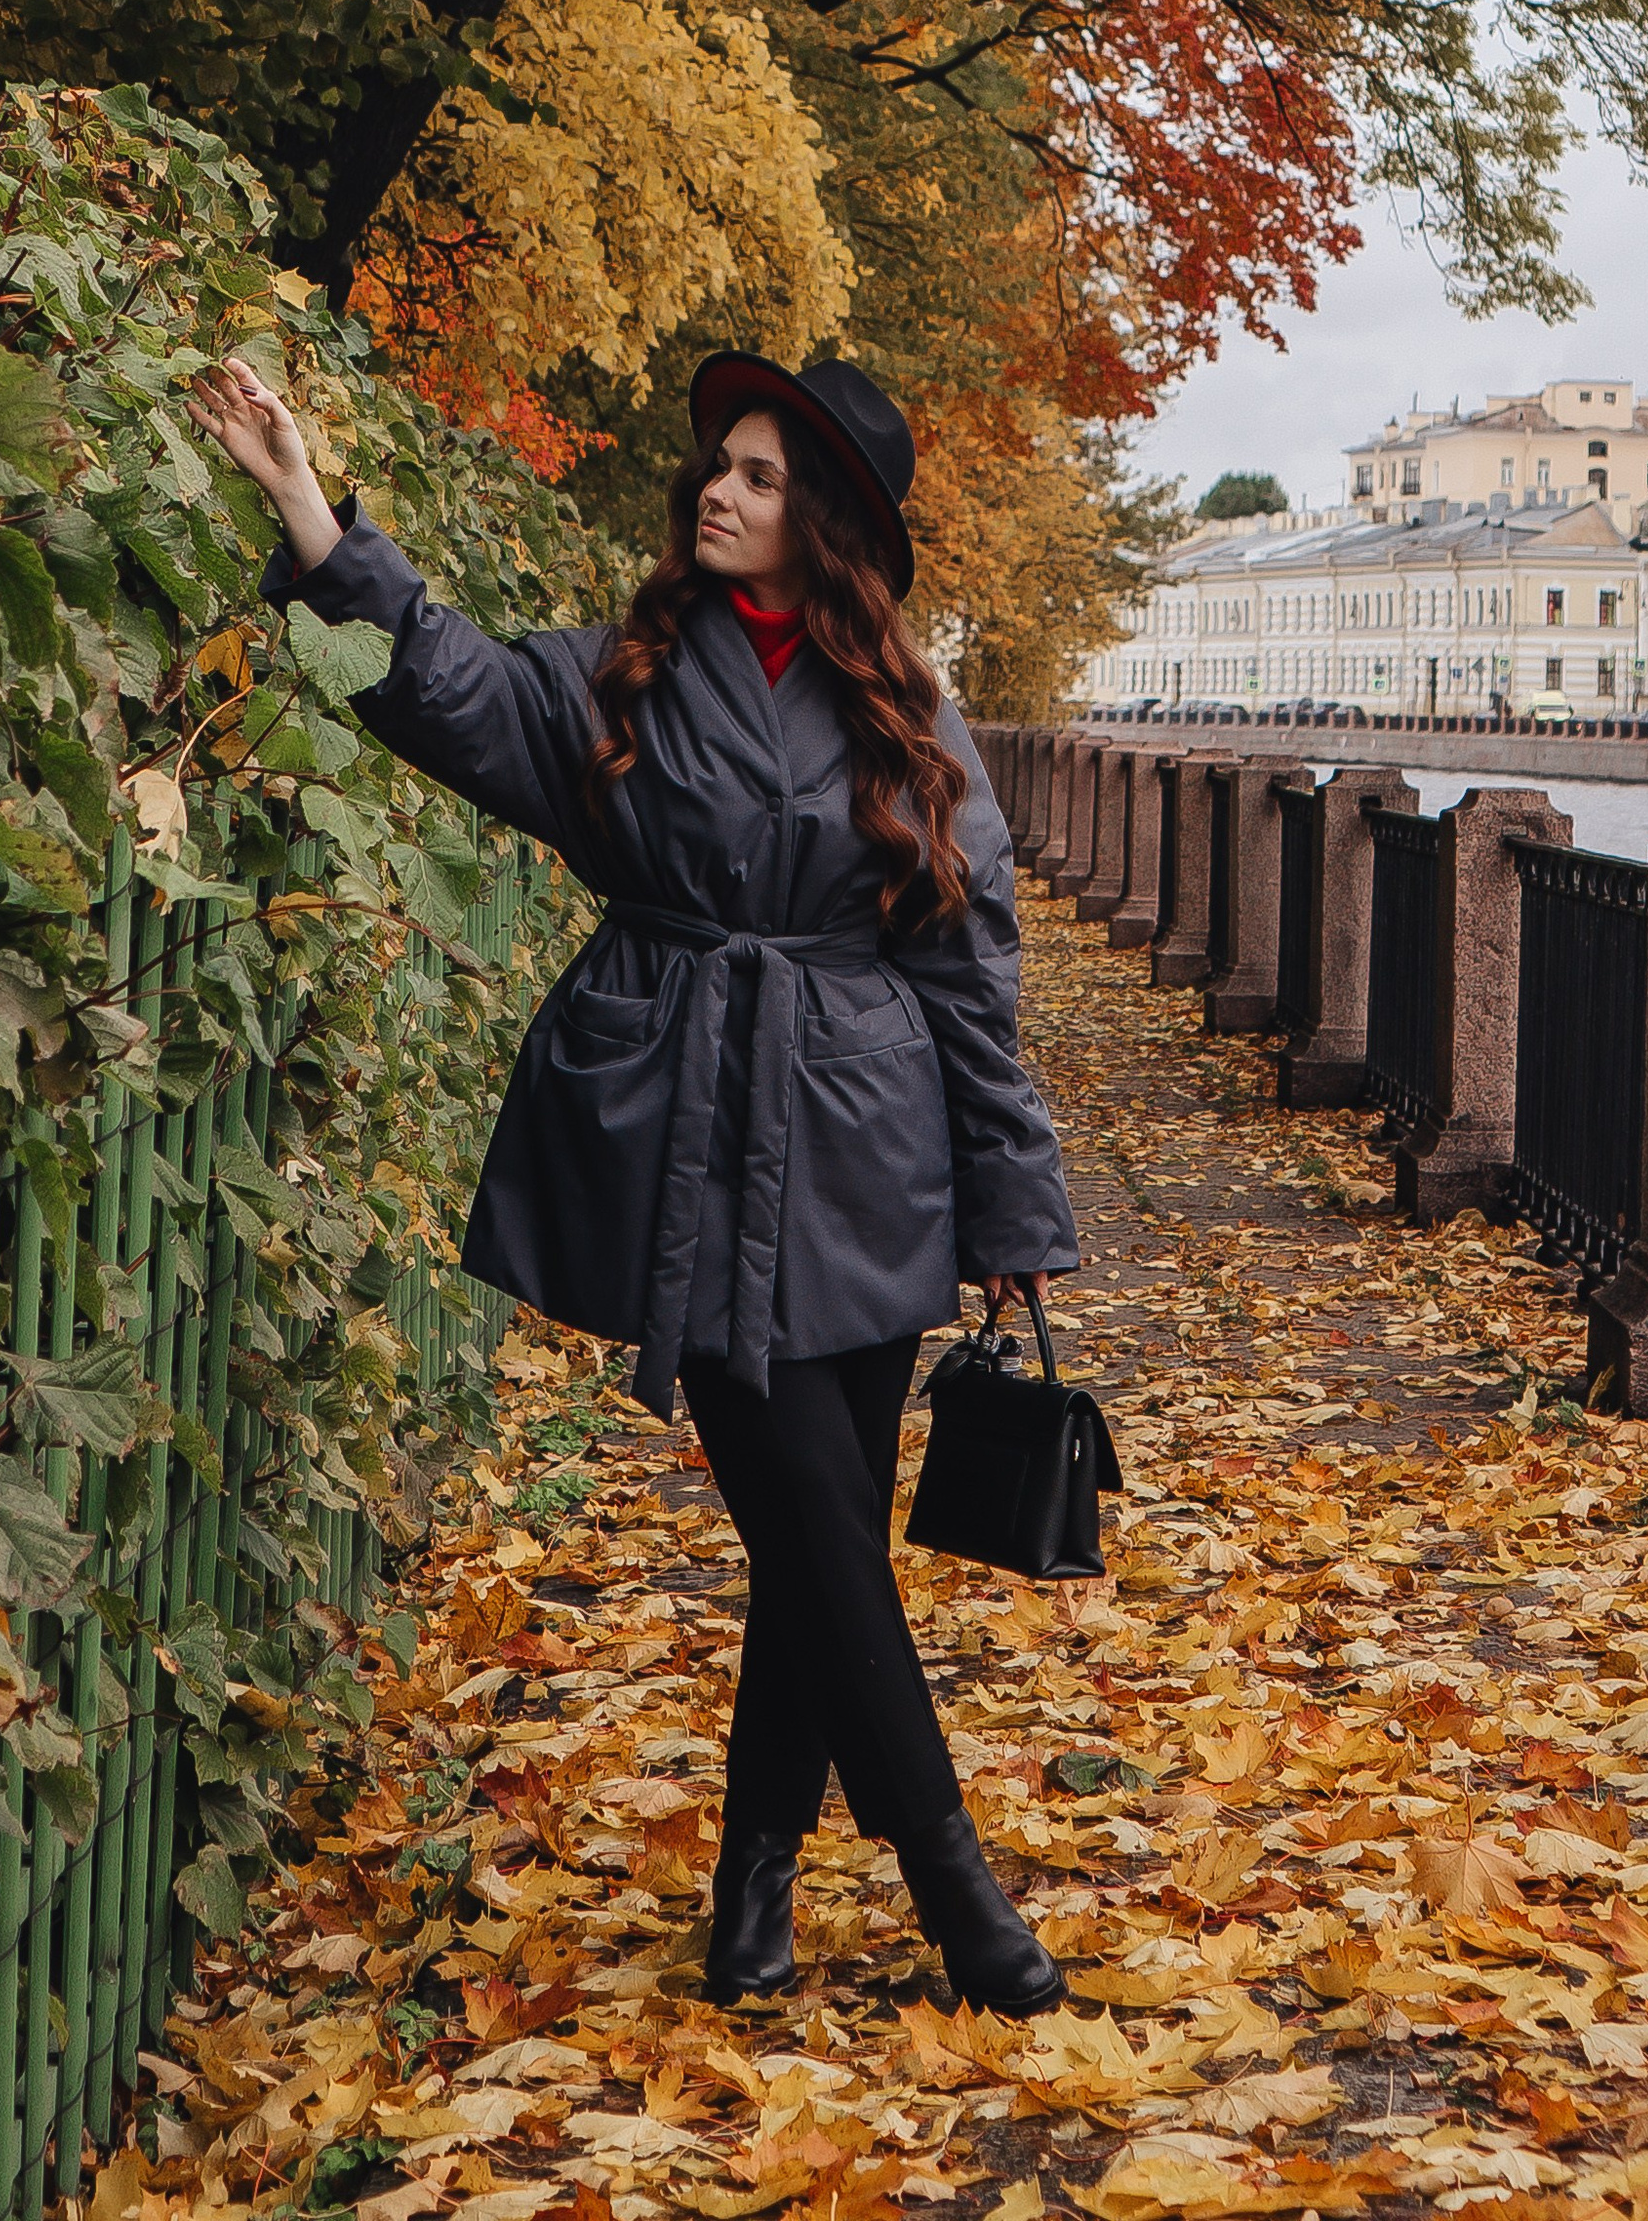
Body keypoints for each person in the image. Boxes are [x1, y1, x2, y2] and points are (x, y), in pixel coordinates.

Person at [187, 343, 1082, 2015]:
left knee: (819, 1551)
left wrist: (1014, 1212)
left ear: (824, 520)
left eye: (758, 475)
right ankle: (958, 1890)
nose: (719, 493)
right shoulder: (630, 672)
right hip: (692, 1133)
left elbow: (972, 977)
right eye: (719, 468)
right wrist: (311, 508)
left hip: (869, 1149)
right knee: (814, 1521)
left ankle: (754, 1897)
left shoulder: (910, 715)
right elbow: (449, 684)